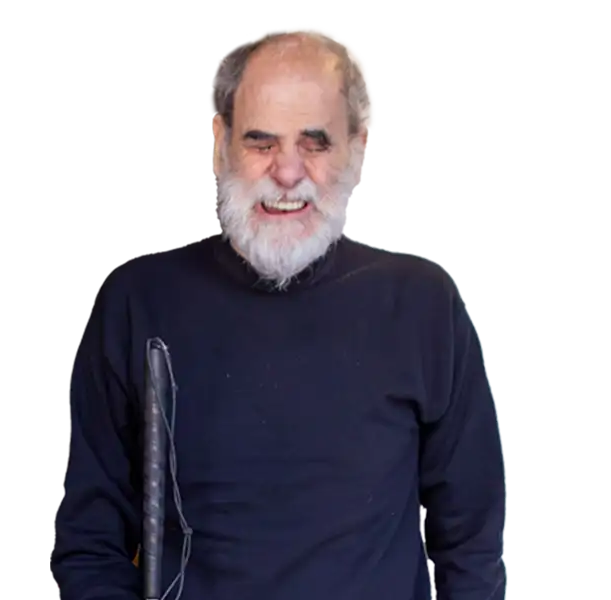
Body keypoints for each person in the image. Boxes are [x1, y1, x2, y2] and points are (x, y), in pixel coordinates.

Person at [52, 31, 507, 600]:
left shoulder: (421, 305)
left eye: (315, 144)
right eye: (261, 142)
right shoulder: (139, 300)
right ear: (220, 143)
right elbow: (89, 545)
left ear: (355, 148)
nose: (288, 172)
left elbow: (472, 547)